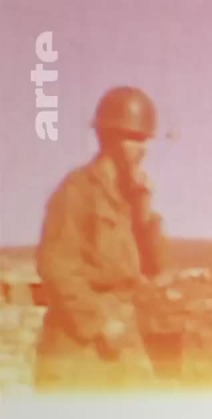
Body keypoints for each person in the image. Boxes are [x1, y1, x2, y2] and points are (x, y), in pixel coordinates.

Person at [33, 85, 170, 392]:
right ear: (107, 139)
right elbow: (56, 267)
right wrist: (99, 322)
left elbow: (155, 266)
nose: (142, 149)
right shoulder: (76, 191)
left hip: (123, 334)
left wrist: (144, 213)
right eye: (132, 138)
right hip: (78, 344)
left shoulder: (132, 197)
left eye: (145, 140)